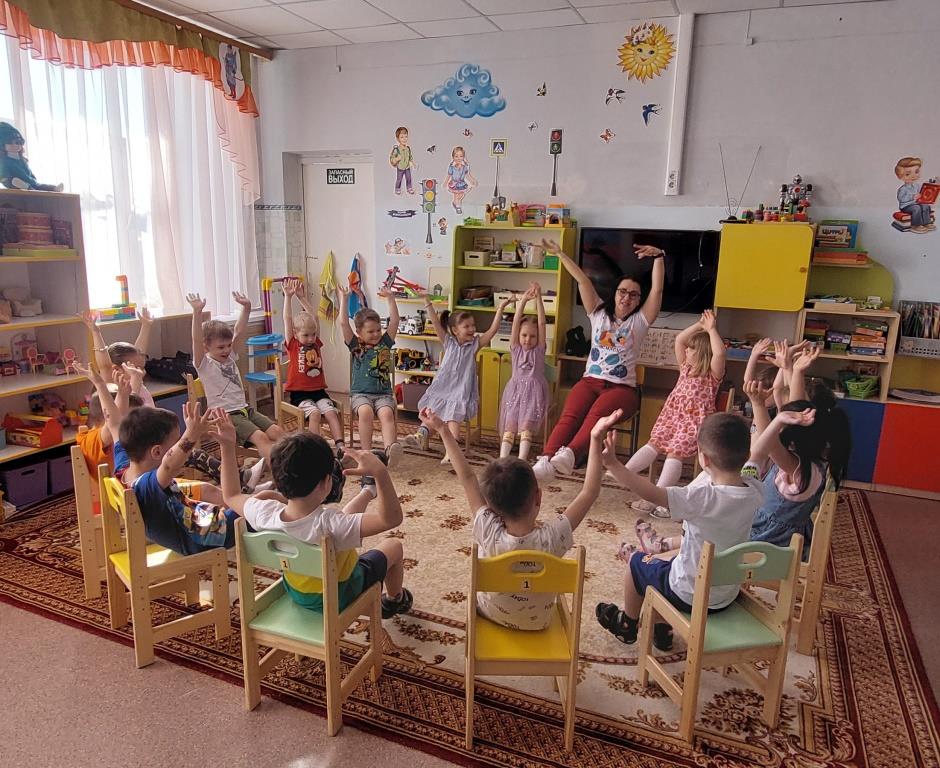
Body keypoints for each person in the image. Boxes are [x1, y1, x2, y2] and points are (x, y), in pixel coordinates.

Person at [419, 406, 621, 631]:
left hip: (490, 614)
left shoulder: (487, 528)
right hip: (539, 624)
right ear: (538, 497)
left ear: (492, 507)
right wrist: (595, 438)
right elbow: (589, 492)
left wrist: (443, 429)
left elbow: (467, 477)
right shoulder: (552, 538)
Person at [597, 412, 762, 650]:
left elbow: (652, 493)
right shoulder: (755, 490)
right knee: (672, 561)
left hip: (688, 594)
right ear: (746, 456)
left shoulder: (702, 498)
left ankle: (627, 624)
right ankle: (661, 628)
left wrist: (614, 465)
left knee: (637, 565)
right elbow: (760, 452)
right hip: (725, 597)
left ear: (704, 458)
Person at [219, 419, 413, 619]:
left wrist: (226, 445)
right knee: (393, 546)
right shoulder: (330, 525)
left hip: (299, 592)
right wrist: (380, 473)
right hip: (340, 593)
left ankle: (367, 491)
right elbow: (390, 519)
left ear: (277, 479)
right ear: (326, 482)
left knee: (341, 522)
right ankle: (394, 600)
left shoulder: (264, 513)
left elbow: (231, 495)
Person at [533, 238, 665, 483]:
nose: (626, 298)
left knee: (596, 415)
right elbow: (583, 280)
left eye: (633, 295)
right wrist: (560, 253)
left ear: (639, 300)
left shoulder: (640, 321)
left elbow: (657, 290)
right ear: (615, 293)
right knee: (569, 416)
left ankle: (570, 454)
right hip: (590, 381)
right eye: (622, 292)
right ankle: (545, 459)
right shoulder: (598, 312)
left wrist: (659, 257)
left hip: (622, 390)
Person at [745, 354, 850, 553]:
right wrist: (794, 371)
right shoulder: (818, 459)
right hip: (789, 535)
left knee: (717, 526)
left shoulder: (795, 468)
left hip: (768, 540)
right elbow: (796, 405)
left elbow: (769, 443)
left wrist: (758, 405)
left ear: (797, 439)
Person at [116, 403, 241, 554]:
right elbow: (169, 465)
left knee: (250, 501)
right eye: (176, 443)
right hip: (204, 538)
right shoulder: (145, 487)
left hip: (199, 520)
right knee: (260, 506)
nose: (185, 451)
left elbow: (113, 422)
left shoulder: (123, 468)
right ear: (157, 452)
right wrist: (192, 434)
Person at [403, 296, 511, 463]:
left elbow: (492, 331)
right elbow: (435, 322)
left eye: (473, 325)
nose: (472, 329)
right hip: (443, 388)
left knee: (453, 415)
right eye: (466, 326)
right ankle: (421, 435)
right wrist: (427, 303)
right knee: (431, 411)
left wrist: (501, 308)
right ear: (455, 330)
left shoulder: (475, 345)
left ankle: (451, 451)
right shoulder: (448, 342)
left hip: (460, 390)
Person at [187, 291, 285, 466]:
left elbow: (239, 332)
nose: (226, 350)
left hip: (245, 409)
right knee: (261, 438)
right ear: (206, 347)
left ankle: (292, 461)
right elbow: (196, 339)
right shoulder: (204, 364)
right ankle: (281, 471)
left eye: (228, 345)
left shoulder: (230, 357)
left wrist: (246, 308)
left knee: (278, 432)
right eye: (221, 347)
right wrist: (197, 312)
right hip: (225, 415)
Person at [338, 283, 403, 470]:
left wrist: (391, 298)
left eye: (378, 330)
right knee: (365, 412)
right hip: (361, 395)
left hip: (383, 394)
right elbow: (343, 323)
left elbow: (395, 321)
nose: (376, 334)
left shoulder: (385, 343)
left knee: (387, 413)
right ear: (359, 333)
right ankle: (366, 454)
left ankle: (390, 451)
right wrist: (344, 299)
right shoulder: (355, 345)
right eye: (370, 331)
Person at [281, 277, 344, 450]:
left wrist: (302, 297)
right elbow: (287, 319)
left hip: (319, 391)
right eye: (306, 335)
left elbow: (314, 317)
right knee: (315, 414)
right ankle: (314, 448)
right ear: (296, 334)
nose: (310, 338)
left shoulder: (316, 343)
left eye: (313, 334)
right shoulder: (293, 344)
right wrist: (288, 297)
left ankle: (341, 446)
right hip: (299, 394)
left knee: (331, 413)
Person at [498, 283, 549, 461]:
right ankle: (503, 459)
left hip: (534, 394)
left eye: (532, 336)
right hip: (515, 392)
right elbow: (515, 324)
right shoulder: (516, 349)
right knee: (510, 427)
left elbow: (542, 323)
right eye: (524, 335)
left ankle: (521, 460)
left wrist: (539, 297)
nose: (528, 339)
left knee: (526, 427)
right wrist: (523, 301)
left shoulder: (539, 350)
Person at [81, 307, 157, 406]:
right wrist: (96, 333)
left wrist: (146, 326)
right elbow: (104, 365)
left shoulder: (136, 379)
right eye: (137, 368)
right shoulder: (113, 387)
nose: (142, 372)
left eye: (142, 368)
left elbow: (139, 353)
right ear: (117, 370)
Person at [895, 156, 936, 233]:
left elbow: (923, 192)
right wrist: (912, 197)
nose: (913, 176)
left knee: (925, 206)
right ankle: (915, 225)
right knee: (916, 208)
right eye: (907, 174)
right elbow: (901, 199)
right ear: (900, 176)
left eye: (916, 172)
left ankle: (927, 223)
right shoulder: (903, 189)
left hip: (917, 203)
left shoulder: (917, 186)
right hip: (906, 206)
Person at [445, 146, 476, 214]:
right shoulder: (452, 167)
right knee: (456, 195)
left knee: (461, 195)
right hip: (454, 184)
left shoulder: (464, 167)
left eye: (461, 156)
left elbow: (467, 175)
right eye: (456, 156)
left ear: (463, 157)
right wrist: (445, 182)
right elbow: (449, 175)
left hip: (462, 184)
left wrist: (472, 180)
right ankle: (458, 207)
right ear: (453, 157)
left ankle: (455, 203)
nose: (459, 158)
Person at [389, 126, 416, 196]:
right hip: (400, 168)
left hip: (407, 167)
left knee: (409, 178)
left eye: (406, 137)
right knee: (399, 179)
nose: (404, 139)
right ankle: (397, 188)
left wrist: (412, 163)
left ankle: (409, 188)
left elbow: (410, 156)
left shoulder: (408, 148)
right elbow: (392, 159)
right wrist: (396, 159)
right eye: (402, 137)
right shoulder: (396, 149)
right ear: (398, 139)